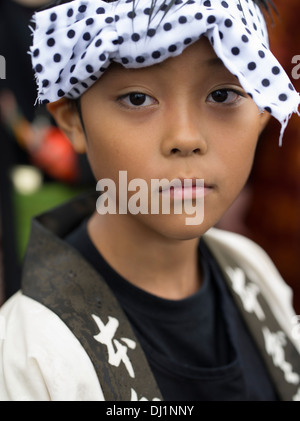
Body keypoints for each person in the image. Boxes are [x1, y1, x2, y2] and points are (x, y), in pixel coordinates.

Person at [0, 0, 300, 401]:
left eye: (223, 94)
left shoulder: (251, 270)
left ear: (263, 109)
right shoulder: (29, 351)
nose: (186, 138)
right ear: (72, 119)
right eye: (138, 99)